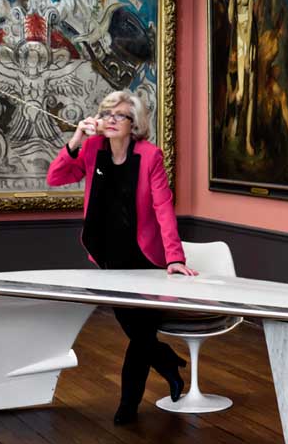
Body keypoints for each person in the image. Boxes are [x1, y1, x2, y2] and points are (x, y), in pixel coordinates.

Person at [47, 90, 198, 425]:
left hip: (144, 258)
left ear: (135, 124)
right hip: (108, 259)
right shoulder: (92, 149)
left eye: (120, 115)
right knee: (139, 332)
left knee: (141, 334)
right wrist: (75, 139)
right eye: (106, 113)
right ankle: (167, 361)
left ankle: (128, 407)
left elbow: (163, 208)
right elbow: (56, 177)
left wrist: (174, 258)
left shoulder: (150, 156)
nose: (111, 120)